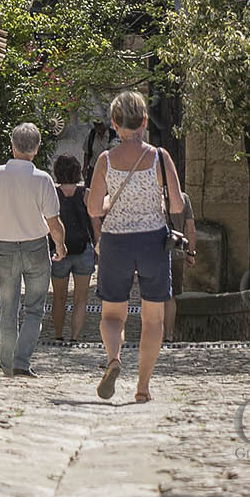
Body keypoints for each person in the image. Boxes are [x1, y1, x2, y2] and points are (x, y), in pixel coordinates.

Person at [87, 89, 186, 404]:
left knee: (112, 314)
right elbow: (178, 206)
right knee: (153, 319)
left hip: (116, 241)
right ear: (144, 121)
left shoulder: (106, 160)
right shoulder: (160, 157)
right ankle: (143, 387)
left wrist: (110, 201)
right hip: (152, 241)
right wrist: (157, 201)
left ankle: (114, 358)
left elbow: (94, 208)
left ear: (115, 124)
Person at [0, 122, 66, 377]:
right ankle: (21, 361)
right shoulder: (43, 180)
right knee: (35, 308)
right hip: (36, 247)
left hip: (4, 249)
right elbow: (54, 223)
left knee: (8, 309)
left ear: (12, 146)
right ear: (36, 150)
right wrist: (60, 246)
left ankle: (7, 364)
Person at [50, 152, 99, 344]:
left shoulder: (53, 194)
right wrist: (98, 247)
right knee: (81, 299)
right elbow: (95, 223)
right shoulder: (86, 194)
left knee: (58, 298)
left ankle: (58, 335)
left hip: (59, 250)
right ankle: (75, 337)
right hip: (83, 250)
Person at [163, 186, 198, 341]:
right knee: (171, 297)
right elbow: (191, 229)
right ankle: (168, 335)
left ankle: (153, 334)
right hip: (176, 253)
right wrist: (190, 253)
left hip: (153, 254)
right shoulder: (183, 198)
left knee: (152, 295)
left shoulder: (152, 197)